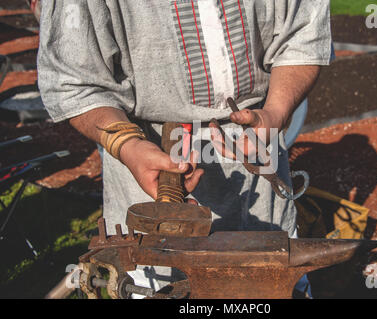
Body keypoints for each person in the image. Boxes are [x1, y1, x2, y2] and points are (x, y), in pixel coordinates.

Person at [38, 0, 333, 295]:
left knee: (271, 285)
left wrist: (275, 113)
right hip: (145, 167)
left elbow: (303, 36)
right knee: (160, 286)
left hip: (260, 173)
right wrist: (128, 145)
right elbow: (72, 82)